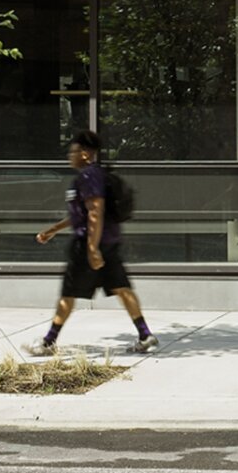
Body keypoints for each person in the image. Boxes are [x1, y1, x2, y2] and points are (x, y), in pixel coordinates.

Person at [25, 130, 156, 355]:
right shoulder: (95, 175)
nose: (70, 156)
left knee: (68, 293)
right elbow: (83, 214)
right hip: (108, 242)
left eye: (73, 152)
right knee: (122, 288)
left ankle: (48, 342)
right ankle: (145, 335)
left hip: (89, 244)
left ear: (85, 154)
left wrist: (92, 248)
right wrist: (53, 230)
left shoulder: (88, 176)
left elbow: (95, 212)